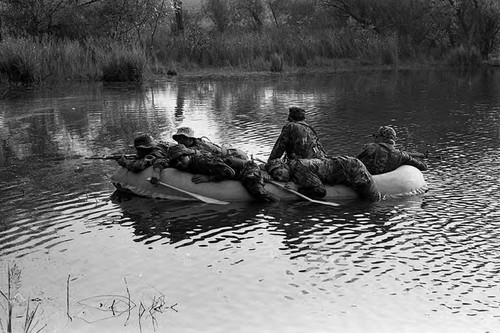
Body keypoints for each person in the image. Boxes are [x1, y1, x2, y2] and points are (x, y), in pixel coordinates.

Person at [168, 144, 279, 203]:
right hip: (231, 170)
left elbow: (229, 172)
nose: (179, 163)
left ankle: (277, 204)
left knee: (257, 192)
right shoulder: (187, 165)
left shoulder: (202, 161)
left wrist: (209, 178)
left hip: (246, 169)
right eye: (176, 161)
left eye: (181, 159)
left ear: (188, 155)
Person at [266, 156, 381, 202]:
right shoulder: (293, 166)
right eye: (278, 177)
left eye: (280, 172)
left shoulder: (300, 169)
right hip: (347, 166)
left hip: (354, 171)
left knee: (373, 202)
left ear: (284, 166)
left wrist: (297, 189)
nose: (281, 177)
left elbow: (320, 191)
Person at [356, 126, 428, 175]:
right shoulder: (401, 155)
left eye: (376, 137)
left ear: (382, 138)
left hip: (362, 180)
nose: (374, 139)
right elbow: (424, 167)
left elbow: (355, 161)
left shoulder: (371, 147)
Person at [172, 127, 248, 161]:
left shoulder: (201, 147)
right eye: (178, 138)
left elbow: (205, 156)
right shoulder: (190, 145)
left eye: (183, 138)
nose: (179, 141)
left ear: (190, 139)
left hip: (235, 155)